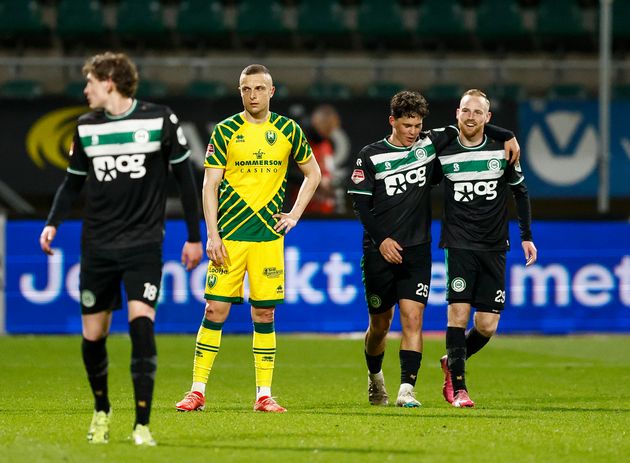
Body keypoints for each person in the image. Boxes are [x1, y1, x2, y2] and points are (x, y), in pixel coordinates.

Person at [39, 52, 203, 445]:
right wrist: (52, 222)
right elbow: (72, 184)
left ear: (109, 82)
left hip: (143, 243)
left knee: (141, 323)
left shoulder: (160, 119)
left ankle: (142, 424)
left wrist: (194, 236)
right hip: (97, 245)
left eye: (91, 82)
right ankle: (102, 410)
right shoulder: (86, 126)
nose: (86, 89)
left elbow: (185, 180)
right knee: (93, 335)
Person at [348, 90, 519, 408]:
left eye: (417, 125)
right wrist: (382, 240)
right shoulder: (370, 155)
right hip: (378, 251)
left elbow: (469, 125)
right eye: (407, 125)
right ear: (392, 121)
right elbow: (360, 205)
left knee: (413, 319)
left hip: (417, 249)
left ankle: (406, 390)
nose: (413, 132)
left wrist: (506, 135)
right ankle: (375, 376)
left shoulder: (429, 144)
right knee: (380, 325)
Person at [175, 64, 321, 413]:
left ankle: (264, 394)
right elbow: (209, 185)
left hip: (268, 238)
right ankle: (196, 391)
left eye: (259, 88)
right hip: (230, 238)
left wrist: (294, 214)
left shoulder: (288, 130)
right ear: (240, 91)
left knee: (264, 313)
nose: (253, 95)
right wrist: (212, 234)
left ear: (271, 92)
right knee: (214, 309)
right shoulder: (225, 130)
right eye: (246, 89)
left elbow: (313, 173)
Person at [437, 89, 537, 408]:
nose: (471, 117)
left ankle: (452, 360)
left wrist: (526, 236)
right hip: (459, 242)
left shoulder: (501, 149)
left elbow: (520, 193)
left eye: (478, 112)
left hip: (494, 245)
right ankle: (460, 388)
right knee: (458, 313)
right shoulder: (443, 149)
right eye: (466, 110)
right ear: (457, 113)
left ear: (487, 117)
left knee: (486, 325)